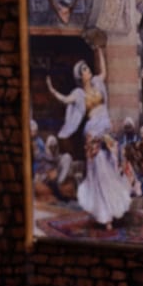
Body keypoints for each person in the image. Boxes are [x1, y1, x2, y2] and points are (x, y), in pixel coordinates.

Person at [44, 47, 110, 188]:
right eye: (85, 70)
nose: (88, 70)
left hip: (104, 124)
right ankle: (95, 186)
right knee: (96, 158)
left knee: (110, 153)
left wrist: (99, 51)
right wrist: (52, 90)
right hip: (93, 128)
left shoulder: (97, 83)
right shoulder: (79, 94)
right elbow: (65, 99)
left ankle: (106, 184)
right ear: (81, 76)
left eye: (87, 68)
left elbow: (104, 72)